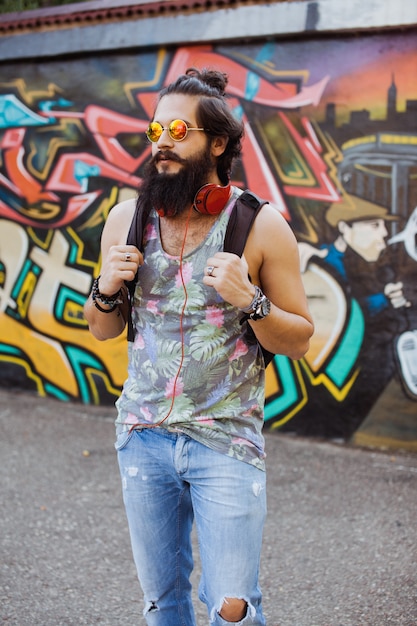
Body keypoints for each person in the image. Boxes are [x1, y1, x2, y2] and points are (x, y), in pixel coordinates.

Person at [84, 67, 313, 626]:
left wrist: (250, 299)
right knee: (162, 602)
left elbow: (300, 339)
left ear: (217, 143)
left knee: (233, 606)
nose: (161, 142)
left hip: (226, 438)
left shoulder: (261, 226)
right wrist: (105, 288)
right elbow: (102, 329)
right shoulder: (126, 218)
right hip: (143, 435)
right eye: (154, 131)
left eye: (178, 132)